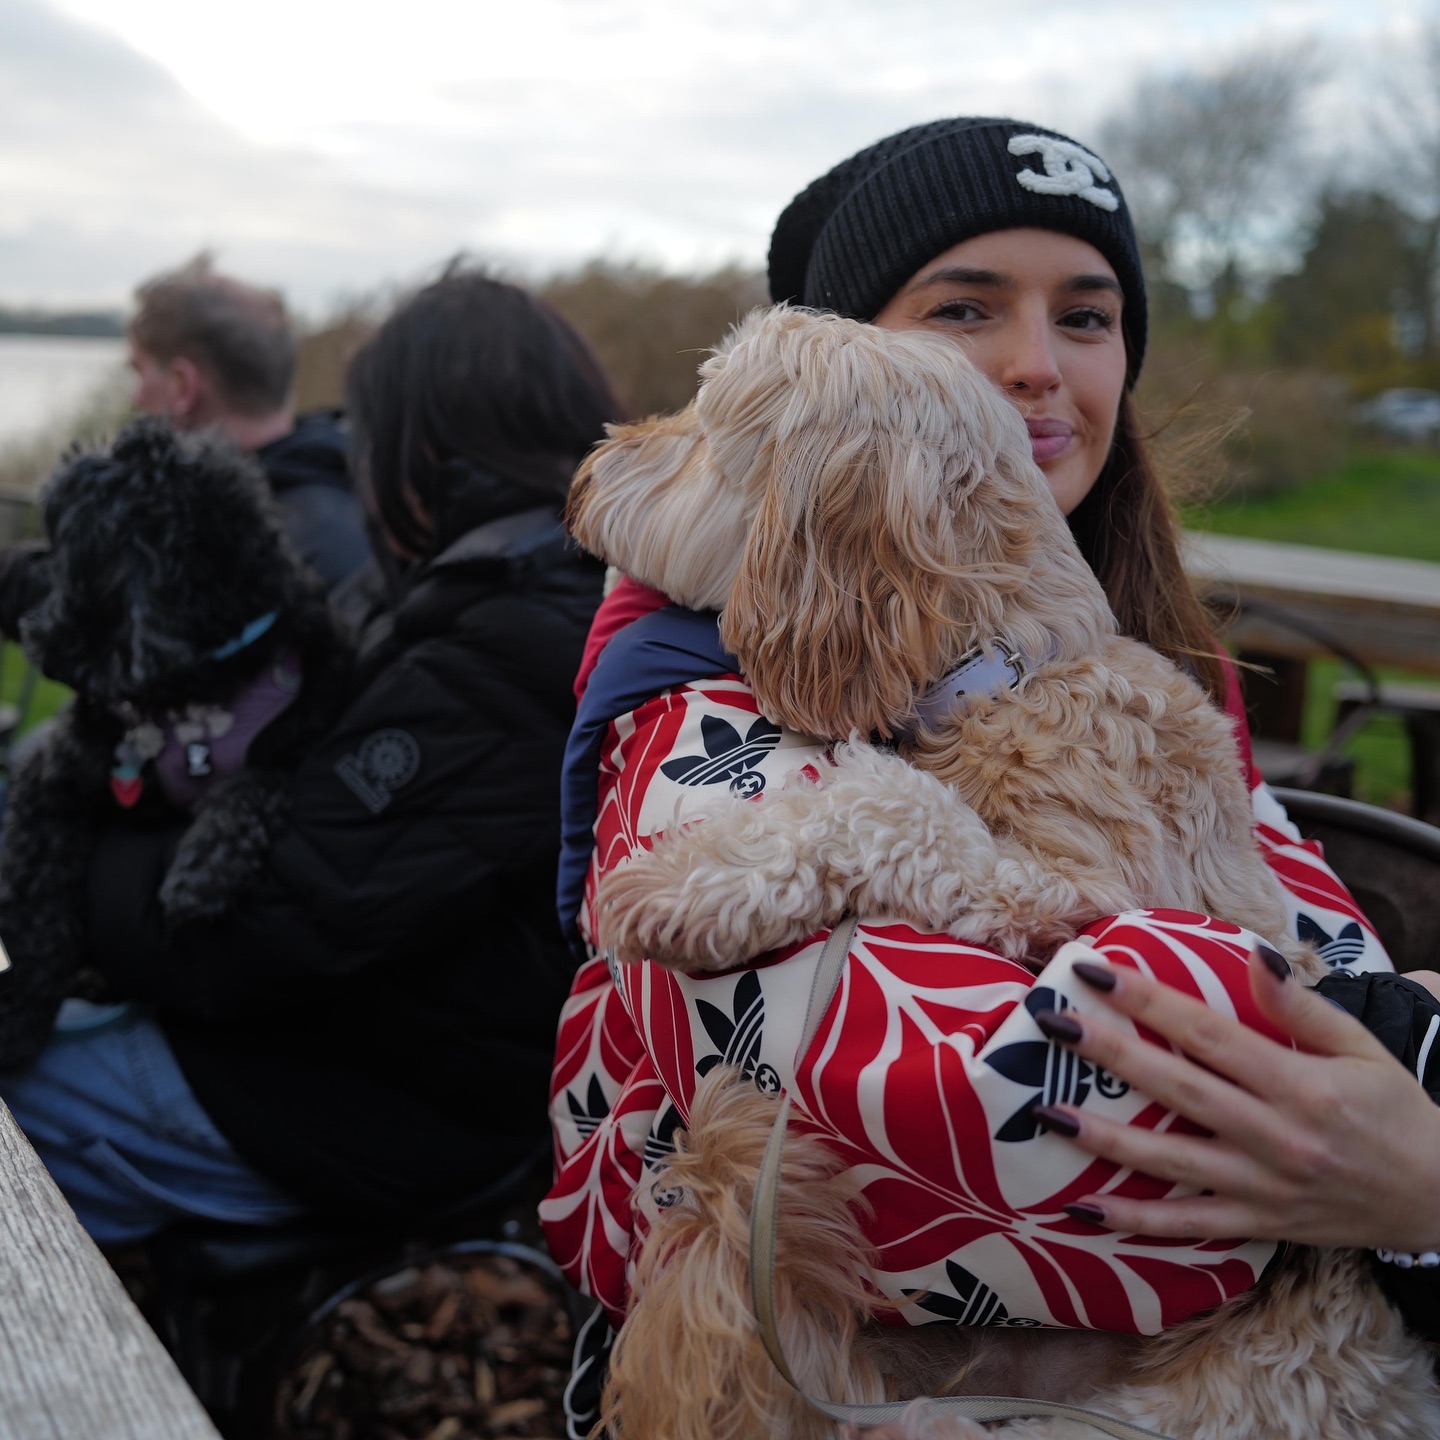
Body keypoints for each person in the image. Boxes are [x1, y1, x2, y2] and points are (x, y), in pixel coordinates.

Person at [540, 117, 1440, 1426]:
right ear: (850, 359)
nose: (1035, 366)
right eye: (965, 308)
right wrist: (1395, 1087)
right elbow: (963, 1109)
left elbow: (1316, 1001)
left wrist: (1411, 1160)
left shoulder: (1154, 662)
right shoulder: (694, 682)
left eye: (1087, 317)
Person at [0, 268, 617, 1243]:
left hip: (376, 1109)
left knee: (20, 1116)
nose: (352, 464)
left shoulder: (514, 647)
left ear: (426, 446)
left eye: (366, 437)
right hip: (360, 1045)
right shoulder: (496, 584)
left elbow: (246, 934)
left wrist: (54, 869)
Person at [126, 257, 371, 591]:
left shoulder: (225, 547)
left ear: (182, 385)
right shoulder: (358, 505)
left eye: (140, 372)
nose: (136, 399)